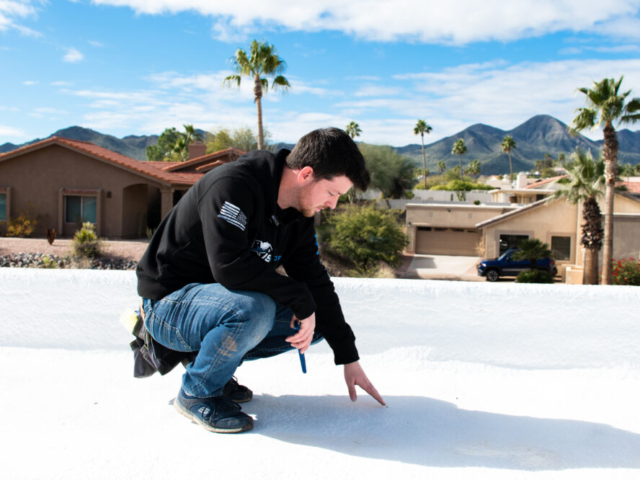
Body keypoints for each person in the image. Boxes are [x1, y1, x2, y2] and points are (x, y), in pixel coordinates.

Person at [136, 127, 386, 434]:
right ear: (306, 174)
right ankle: (197, 391)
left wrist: (349, 358)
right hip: (168, 304)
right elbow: (229, 266)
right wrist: (300, 299)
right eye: (332, 193)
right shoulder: (233, 185)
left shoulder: (298, 215)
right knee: (254, 309)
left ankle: (213, 367)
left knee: (316, 319)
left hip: (217, 305)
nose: (333, 205)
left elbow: (316, 281)